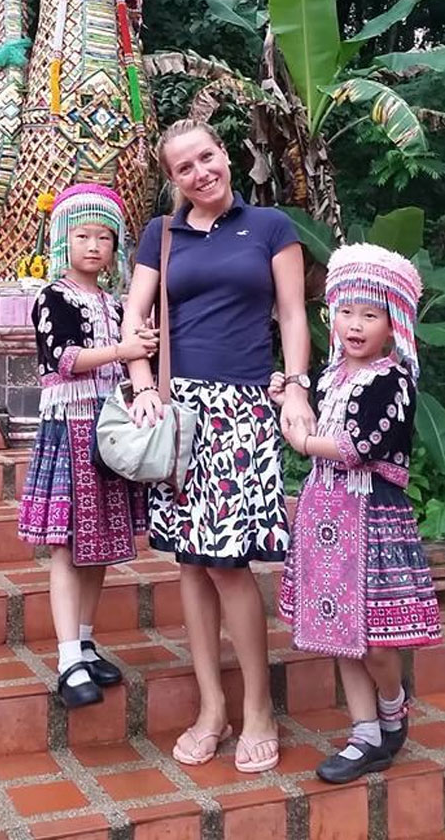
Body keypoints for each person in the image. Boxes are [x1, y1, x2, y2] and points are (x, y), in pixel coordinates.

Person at [122, 119, 314, 774]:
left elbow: (292, 315)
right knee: (189, 563)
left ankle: (257, 706)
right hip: (179, 413)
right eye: (184, 167)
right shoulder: (161, 235)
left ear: (224, 155)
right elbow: (136, 319)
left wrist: (294, 387)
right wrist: (142, 383)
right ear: (172, 178)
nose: (200, 172)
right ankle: (211, 707)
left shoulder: (271, 228)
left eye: (207, 157)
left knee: (229, 564)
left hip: (242, 411)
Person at [273, 243, 442, 784]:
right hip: (325, 511)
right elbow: (314, 414)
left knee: (376, 638)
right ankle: (365, 734)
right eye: (345, 310)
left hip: (370, 516)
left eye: (371, 314)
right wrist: (288, 394)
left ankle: (392, 704)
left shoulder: (393, 381)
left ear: (395, 324)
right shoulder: (331, 375)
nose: (355, 324)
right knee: (337, 626)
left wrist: (303, 441)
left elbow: (362, 444)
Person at [18, 183, 156, 709]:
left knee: (94, 544)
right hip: (70, 425)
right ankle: (66, 657)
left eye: (106, 237)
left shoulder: (116, 302)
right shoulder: (53, 296)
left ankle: (85, 639)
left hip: (108, 429)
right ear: (63, 241)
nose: (95, 246)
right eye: (83, 236)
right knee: (67, 546)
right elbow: (63, 358)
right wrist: (125, 348)